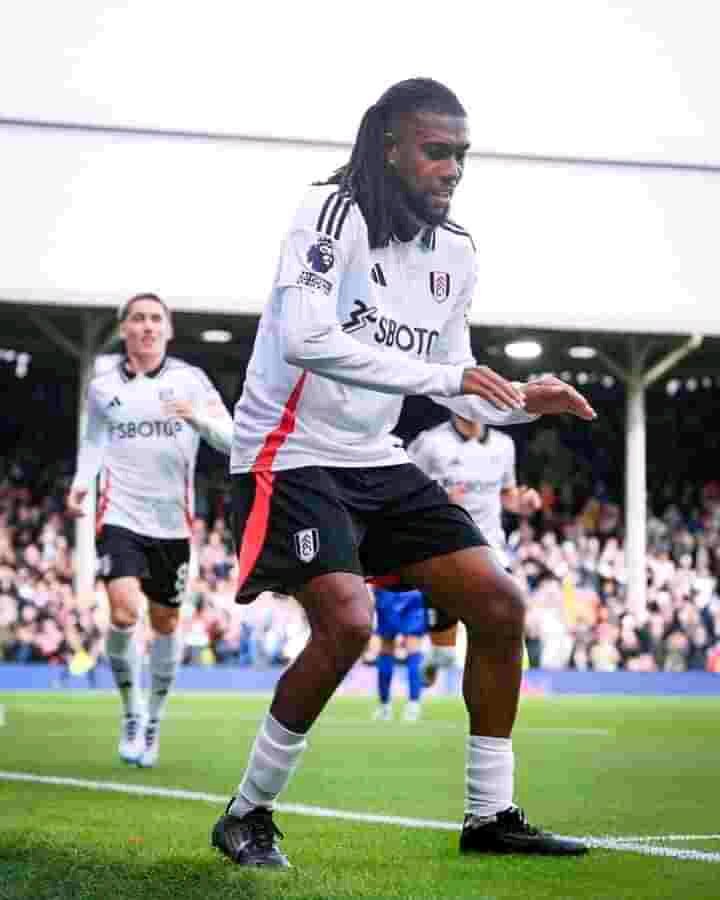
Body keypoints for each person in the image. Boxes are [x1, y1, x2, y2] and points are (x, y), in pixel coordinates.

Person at [212, 78, 595, 868]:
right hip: (289, 450)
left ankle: (490, 816)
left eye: (461, 155)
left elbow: (456, 378)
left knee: (498, 603)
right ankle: (247, 813)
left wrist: (526, 401)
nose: (452, 168)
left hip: (374, 457)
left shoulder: (455, 254)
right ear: (390, 148)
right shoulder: (330, 216)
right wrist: (448, 380)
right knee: (348, 622)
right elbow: (308, 338)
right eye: (436, 151)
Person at [66, 293, 233, 768]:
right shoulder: (102, 386)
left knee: (164, 625)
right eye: (137, 319)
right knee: (123, 613)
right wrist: (82, 483)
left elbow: (233, 436)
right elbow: (94, 439)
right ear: (124, 329)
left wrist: (195, 416)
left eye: (155, 319)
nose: (147, 326)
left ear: (168, 330)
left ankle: (154, 720)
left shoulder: (191, 381)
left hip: (172, 524)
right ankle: (131, 712)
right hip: (119, 515)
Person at [406, 413, 542, 687]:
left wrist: (522, 503)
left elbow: (507, 494)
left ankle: (490, 703)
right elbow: (402, 490)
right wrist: (437, 499)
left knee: (496, 623)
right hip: (442, 550)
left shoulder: (503, 445)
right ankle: (435, 660)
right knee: (445, 654)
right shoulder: (430, 443)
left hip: (489, 548)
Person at [370, 581, 428, 722]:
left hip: (388, 589)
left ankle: (385, 707)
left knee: (386, 648)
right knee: (413, 649)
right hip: (414, 590)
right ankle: (413, 706)